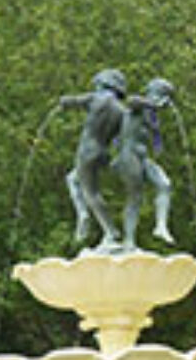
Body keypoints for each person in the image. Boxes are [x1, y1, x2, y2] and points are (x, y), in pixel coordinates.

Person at [61, 69, 127, 251]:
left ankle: (109, 231)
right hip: (103, 152)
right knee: (72, 179)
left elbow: (71, 101)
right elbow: (122, 140)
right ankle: (82, 212)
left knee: (91, 192)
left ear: (104, 83)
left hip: (87, 150)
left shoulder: (95, 98)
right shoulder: (122, 111)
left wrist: (63, 102)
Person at [112, 78, 177, 252]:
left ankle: (161, 226)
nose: (167, 99)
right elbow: (131, 100)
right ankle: (129, 241)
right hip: (128, 155)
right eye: (164, 94)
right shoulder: (139, 107)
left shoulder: (151, 115)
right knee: (135, 198)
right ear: (155, 92)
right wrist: (153, 104)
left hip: (142, 157)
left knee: (165, 184)